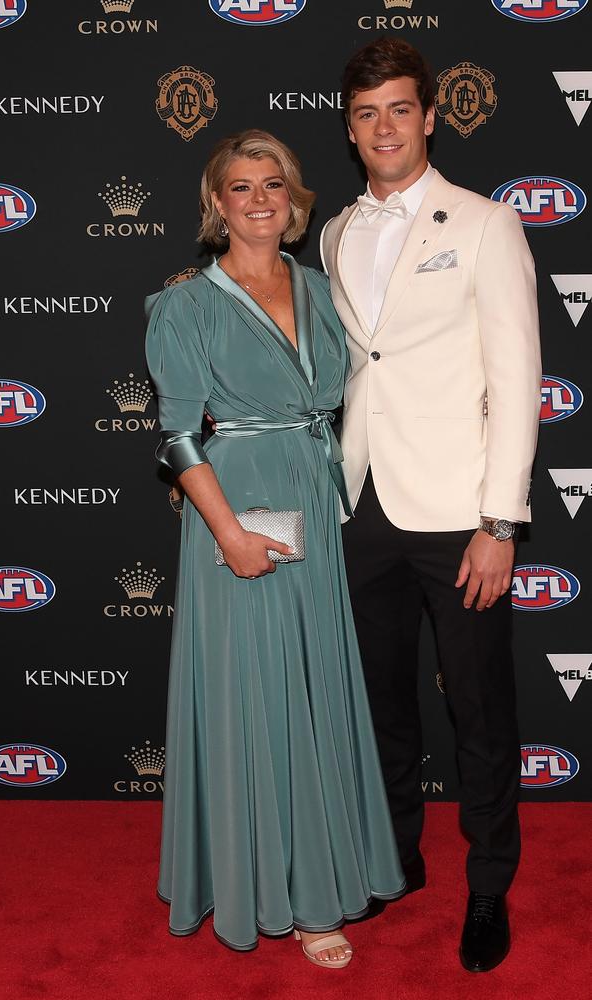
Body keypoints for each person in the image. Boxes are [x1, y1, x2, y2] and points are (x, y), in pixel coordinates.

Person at [145, 130, 405, 967]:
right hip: (238, 510)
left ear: (296, 200)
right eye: (240, 187)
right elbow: (179, 439)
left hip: (316, 503)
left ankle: (321, 872)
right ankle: (278, 893)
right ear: (216, 203)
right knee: (257, 697)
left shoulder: (323, 290)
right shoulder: (183, 306)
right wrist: (229, 533)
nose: (259, 199)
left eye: (274, 185)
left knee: (314, 690)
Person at [320, 38, 541, 973]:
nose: (385, 127)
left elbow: (519, 377)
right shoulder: (331, 233)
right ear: (351, 125)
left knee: (480, 712)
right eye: (367, 112)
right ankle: (394, 862)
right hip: (359, 501)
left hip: (459, 510)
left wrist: (501, 522)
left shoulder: (487, 224)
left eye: (400, 109)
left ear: (430, 116)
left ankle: (489, 887)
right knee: (380, 705)